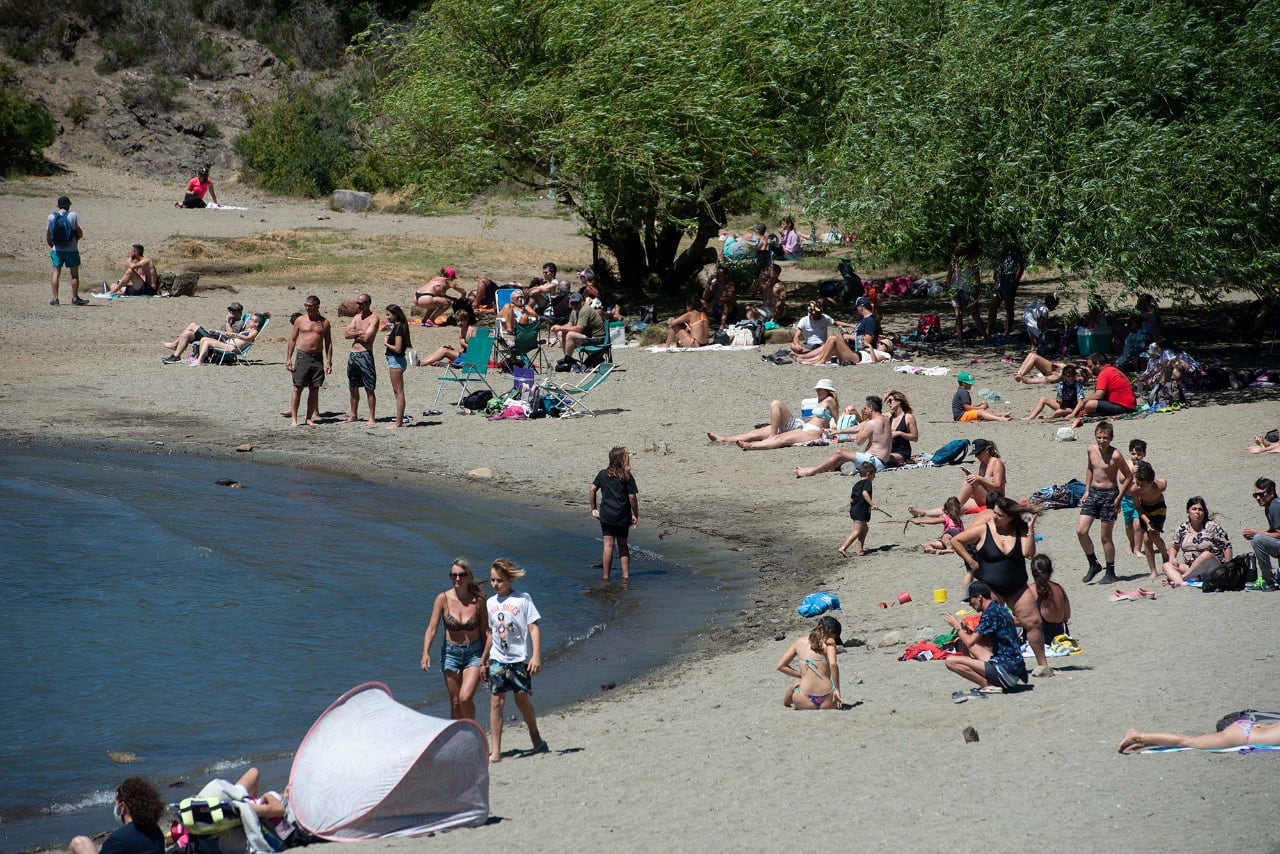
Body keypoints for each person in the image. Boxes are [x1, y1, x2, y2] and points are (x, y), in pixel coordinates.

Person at [949, 497, 1052, 676]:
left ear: (1010, 517)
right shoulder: (984, 529)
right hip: (991, 588)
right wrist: (970, 561)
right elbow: (956, 541)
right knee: (991, 626)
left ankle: (1043, 665)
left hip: (1017, 586)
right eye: (994, 513)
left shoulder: (1019, 531)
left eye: (999, 515)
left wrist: (1030, 530)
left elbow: (1028, 554)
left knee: (1033, 622)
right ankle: (992, 664)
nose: (994, 517)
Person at [483, 558, 547, 762]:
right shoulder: (490, 603)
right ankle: (496, 750)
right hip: (497, 659)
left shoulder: (523, 599)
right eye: (492, 580)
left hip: (519, 659)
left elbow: (533, 627)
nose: (495, 584)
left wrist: (536, 655)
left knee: (521, 700)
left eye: (499, 580)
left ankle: (535, 736)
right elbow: (491, 633)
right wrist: (484, 660)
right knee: (496, 702)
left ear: (510, 579)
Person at [421, 558, 489, 721]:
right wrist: (425, 652)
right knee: (456, 703)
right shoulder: (442, 599)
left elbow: (486, 632)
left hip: (474, 654)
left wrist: (485, 661)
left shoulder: (479, 601)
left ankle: (474, 733)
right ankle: (458, 739)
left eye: (461, 575)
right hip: (450, 654)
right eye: (453, 575)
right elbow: (431, 628)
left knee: (465, 698)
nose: (457, 579)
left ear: (468, 576)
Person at [943, 580, 1031, 694]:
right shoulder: (998, 609)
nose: (970, 604)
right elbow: (979, 646)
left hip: (1005, 671)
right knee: (972, 645)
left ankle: (987, 685)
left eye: (970, 600)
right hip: (1014, 669)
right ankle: (993, 682)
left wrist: (957, 627)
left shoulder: (990, 615)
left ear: (979, 597)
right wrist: (965, 631)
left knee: (950, 661)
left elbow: (970, 642)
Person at [708, 379, 838, 451]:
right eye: (818, 389)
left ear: (828, 391)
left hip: (812, 431)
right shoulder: (820, 401)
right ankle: (724, 439)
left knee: (781, 439)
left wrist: (835, 430)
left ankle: (751, 446)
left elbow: (837, 420)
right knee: (756, 432)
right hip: (803, 425)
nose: (818, 391)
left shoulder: (830, 400)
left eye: (821, 389)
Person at [1078, 420, 1133, 584]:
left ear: (1111, 438)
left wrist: (1119, 498)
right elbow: (1090, 468)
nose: (1102, 441)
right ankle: (1093, 563)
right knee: (1081, 531)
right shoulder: (1091, 450)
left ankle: (1110, 571)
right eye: (1099, 437)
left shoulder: (1115, 455)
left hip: (1110, 495)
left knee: (1105, 537)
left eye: (1105, 438)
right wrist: (1086, 490)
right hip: (1093, 492)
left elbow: (1128, 476)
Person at [793, 394, 893, 477]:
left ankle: (811, 471)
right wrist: (838, 432)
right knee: (840, 460)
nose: (865, 410)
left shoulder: (871, 423)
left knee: (840, 453)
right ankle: (823, 468)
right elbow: (858, 428)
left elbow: (859, 442)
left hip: (873, 462)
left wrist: (863, 427)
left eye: (866, 408)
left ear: (871, 408)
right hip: (882, 462)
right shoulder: (885, 420)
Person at [910, 438, 1007, 517]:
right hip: (985, 497)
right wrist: (970, 474)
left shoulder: (996, 463)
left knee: (969, 483)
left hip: (996, 500)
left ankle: (953, 508)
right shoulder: (983, 464)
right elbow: (978, 479)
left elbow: (997, 486)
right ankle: (924, 513)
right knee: (962, 506)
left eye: (978, 453)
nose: (976, 456)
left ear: (987, 450)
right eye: (975, 454)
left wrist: (979, 479)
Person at [68, 776, 165, 854]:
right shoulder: (156, 831)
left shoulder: (120, 838)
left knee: (79, 842)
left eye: (115, 804)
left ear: (123, 807)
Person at [590, 446, 639, 581]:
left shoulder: (602, 474)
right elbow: (632, 498)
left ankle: (606, 577)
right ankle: (626, 576)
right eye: (626, 456)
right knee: (623, 546)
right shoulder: (627, 477)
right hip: (622, 515)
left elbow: (592, 490)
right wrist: (636, 514)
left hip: (606, 515)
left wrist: (593, 508)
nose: (628, 458)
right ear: (620, 460)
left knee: (608, 545)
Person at [1163, 496, 1234, 587]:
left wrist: (1227, 567)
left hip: (1212, 567)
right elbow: (1174, 546)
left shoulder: (1212, 526)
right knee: (1166, 565)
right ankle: (1181, 582)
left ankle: (1181, 578)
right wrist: (1172, 558)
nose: (1197, 512)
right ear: (1188, 512)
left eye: (1200, 510)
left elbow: (1227, 546)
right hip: (1191, 568)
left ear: (1204, 512)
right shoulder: (1183, 528)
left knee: (1206, 555)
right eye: (1194, 509)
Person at [285, 295, 333, 428]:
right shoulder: (300, 320)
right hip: (302, 356)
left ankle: (308, 418)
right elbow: (292, 339)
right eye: (306, 306)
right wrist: (289, 358)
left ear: (317, 307)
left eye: (310, 306)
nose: (307, 309)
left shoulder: (325, 323)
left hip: (317, 358)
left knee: (314, 388)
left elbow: (328, 342)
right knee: (298, 387)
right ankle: (294, 418)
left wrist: (329, 361)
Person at [777, 616, 844, 710]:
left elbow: (781, 666)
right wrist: (837, 689)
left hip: (803, 699)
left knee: (796, 682)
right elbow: (833, 664)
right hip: (828, 700)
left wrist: (801, 675)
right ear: (831, 632)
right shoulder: (830, 642)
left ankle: (786, 703)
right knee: (828, 685)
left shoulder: (799, 642)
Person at [1118, 718, 1280, 754]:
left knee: (1189, 741)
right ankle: (1139, 737)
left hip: (1250, 726)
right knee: (1188, 741)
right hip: (1242, 737)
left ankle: (1145, 741)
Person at [162, 302, 246, 363]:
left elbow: (231, 335)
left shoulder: (239, 322)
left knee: (193, 325)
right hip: (215, 336)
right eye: (230, 310)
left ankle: (174, 344)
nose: (231, 312)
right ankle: (176, 356)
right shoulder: (232, 320)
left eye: (234, 311)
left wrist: (227, 321)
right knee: (187, 333)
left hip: (219, 342)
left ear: (239, 312)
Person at [342, 293, 380, 426]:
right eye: (357, 303)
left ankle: (371, 417)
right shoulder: (356, 317)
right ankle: (353, 415)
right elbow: (346, 334)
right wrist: (359, 332)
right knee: (352, 386)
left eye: (361, 303)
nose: (358, 306)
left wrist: (355, 333)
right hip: (353, 354)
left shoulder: (373, 318)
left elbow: (367, 339)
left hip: (365, 354)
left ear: (368, 303)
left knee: (369, 387)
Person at [1127, 461, 1169, 579]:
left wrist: (1156, 481)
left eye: (1142, 485)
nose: (1139, 487)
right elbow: (1138, 508)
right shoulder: (1134, 489)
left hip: (1158, 508)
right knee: (1146, 539)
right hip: (1145, 511)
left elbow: (1164, 481)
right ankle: (1153, 570)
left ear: (1151, 482)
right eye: (1137, 483)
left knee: (1154, 535)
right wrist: (1147, 521)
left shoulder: (1159, 486)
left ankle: (1165, 555)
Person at [1069, 352, 1137, 424]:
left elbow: (1099, 394)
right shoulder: (1113, 369)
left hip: (1123, 406)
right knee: (1090, 404)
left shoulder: (1104, 373)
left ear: (1097, 364)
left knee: (1089, 404)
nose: (1090, 369)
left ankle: (1098, 413)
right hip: (1130, 405)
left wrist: (1084, 401)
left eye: (1090, 366)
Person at [47, 195, 86, 306]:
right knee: (74, 274)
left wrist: (52, 245)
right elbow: (78, 231)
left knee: (56, 273)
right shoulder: (73, 215)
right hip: (72, 249)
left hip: (57, 249)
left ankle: (55, 299)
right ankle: (74, 298)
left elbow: (48, 234)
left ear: (58, 206)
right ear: (68, 205)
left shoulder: (51, 217)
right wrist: (78, 238)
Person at [1243, 477, 1280, 590]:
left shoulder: (1275, 506)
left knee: (1258, 539)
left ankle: (1268, 581)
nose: (1258, 498)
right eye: (1255, 495)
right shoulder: (1269, 507)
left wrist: (1258, 533)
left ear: (1272, 493)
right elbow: (1274, 531)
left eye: (1261, 494)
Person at [550, 291, 606, 364]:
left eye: (576, 303)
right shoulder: (575, 310)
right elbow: (570, 324)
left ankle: (568, 360)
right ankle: (567, 358)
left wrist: (560, 327)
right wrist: (557, 327)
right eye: (572, 303)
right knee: (560, 333)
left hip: (596, 339)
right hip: (587, 336)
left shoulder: (585, 310)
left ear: (581, 301)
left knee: (570, 334)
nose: (575, 305)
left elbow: (579, 329)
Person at [191, 312, 268, 364]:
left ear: (256, 323)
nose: (249, 321)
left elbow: (247, 338)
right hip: (227, 344)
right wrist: (229, 335)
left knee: (207, 341)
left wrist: (235, 335)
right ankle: (201, 359)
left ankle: (199, 361)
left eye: (251, 320)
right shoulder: (247, 330)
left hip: (232, 348)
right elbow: (237, 337)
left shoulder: (254, 332)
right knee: (203, 339)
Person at [839, 462, 879, 557]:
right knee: (857, 531)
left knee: (864, 529)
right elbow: (865, 493)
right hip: (860, 510)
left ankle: (860, 549)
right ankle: (843, 547)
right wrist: (872, 504)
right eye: (874, 474)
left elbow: (852, 499)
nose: (874, 477)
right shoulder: (867, 483)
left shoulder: (856, 484)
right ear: (869, 474)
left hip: (855, 510)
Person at [1030, 554, 1071, 645]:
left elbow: (1020, 619)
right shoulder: (1059, 588)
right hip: (1059, 637)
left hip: (1041, 639)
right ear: (1050, 571)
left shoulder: (1031, 590)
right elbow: (1067, 615)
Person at [988, 244, 1026, 337]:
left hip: (1009, 279)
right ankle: (988, 331)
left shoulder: (1017, 249)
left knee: (1008, 307)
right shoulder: (1001, 248)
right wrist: (995, 273)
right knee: (993, 306)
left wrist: (1015, 281)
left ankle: (1007, 332)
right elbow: (998, 262)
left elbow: (1021, 266)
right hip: (999, 279)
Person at [947, 245, 983, 342]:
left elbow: (949, 277)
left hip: (960, 289)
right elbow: (976, 276)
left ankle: (960, 338)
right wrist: (978, 287)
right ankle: (984, 336)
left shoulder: (956, 262)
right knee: (973, 314)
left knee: (959, 314)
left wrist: (949, 288)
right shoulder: (971, 261)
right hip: (965, 289)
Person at [383, 304, 411, 429]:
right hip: (395, 361)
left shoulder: (399, 328)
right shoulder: (398, 326)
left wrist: (386, 344)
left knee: (398, 393)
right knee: (398, 392)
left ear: (395, 314)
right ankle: (398, 421)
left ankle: (398, 423)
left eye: (389, 315)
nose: (387, 317)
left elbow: (398, 349)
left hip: (396, 361)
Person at [1120, 439, 1149, 557]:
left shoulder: (1146, 466)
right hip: (1127, 499)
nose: (1136, 457)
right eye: (1133, 454)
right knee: (1129, 525)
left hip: (1140, 499)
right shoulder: (1126, 465)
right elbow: (1121, 479)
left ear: (1144, 454)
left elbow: (1149, 480)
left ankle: (1138, 549)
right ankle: (1131, 544)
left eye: (1139, 454)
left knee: (1138, 525)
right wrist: (1131, 473)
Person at [1012, 352, 1092, 385]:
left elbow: (1031, 381)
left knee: (1033, 357)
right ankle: (1019, 374)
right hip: (1054, 369)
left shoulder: (1057, 377)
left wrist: (1023, 378)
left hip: (1054, 373)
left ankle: (1019, 375)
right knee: (1032, 354)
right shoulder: (1074, 370)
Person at [885, 391, 918, 466]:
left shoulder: (908, 417)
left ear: (899, 401)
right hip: (889, 450)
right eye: (887, 402)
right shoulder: (889, 416)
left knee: (884, 458)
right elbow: (876, 413)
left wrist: (900, 433)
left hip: (902, 452)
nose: (888, 404)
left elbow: (915, 437)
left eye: (890, 401)